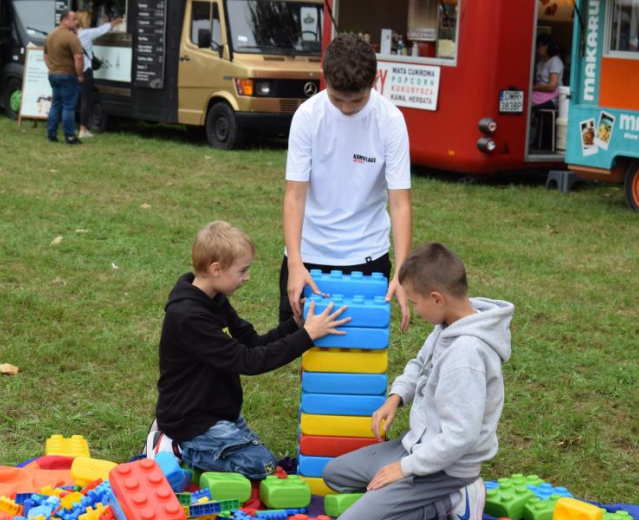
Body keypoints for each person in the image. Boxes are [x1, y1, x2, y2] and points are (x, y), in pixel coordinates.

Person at [323, 242, 514, 520]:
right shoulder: (448, 323)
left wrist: (403, 469)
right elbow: (419, 365)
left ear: (437, 299)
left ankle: (454, 500)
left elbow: (460, 437)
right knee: (334, 474)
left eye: (415, 302)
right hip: (416, 447)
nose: (415, 309)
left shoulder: (466, 356)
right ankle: (402, 496)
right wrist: (395, 397)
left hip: (445, 470)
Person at [155, 221, 349, 479]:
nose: (247, 277)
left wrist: (295, 325)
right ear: (216, 269)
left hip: (218, 413)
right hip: (191, 421)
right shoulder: (189, 317)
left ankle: (194, 446)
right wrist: (308, 336)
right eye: (242, 270)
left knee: (264, 463)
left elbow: (253, 343)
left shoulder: (214, 299)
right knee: (263, 465)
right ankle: (176, 446)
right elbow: (249, 361)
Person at [281, 34, 412, 333]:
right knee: (300, 349)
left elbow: (400, 203)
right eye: (337, 99)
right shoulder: (307, 116)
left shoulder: (391, 121)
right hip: (308, 257)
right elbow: (294, 197)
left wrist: (402, 273)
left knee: (358, 356)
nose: (347, 109)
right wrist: (294, 263)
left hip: (367, 257)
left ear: (375, 81)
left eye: (357, 100)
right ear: (324, 78)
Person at [75, 11, 122, 139]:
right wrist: (118, 20)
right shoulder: (86, 34)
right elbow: (103, 29)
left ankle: (70, 126)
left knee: (73, 100)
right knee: (86, 100)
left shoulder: (73, 34)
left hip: (73, 70)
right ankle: (83, 129)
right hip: (85, 70)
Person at [44, 9, 84, 145]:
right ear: (65, 20)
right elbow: (78, 57)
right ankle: (69, 136)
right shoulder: (71, 37)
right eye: (74, 19)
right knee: (68, 106)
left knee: (55, 105)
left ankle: (51, 134)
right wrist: (79, 74)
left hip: (53, 74)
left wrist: (51, 68)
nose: (76, 22)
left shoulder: (50, 35)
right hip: (68, 75)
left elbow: (45, 55)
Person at [531, 33, 564, 110]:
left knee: (526, 101)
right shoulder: (540, 63)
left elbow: (552, 86)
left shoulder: (555, 61)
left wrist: (533, 88)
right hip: (538, 93)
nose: (537, 50)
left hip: (551, 97)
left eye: (539, 46)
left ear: (546, 46)